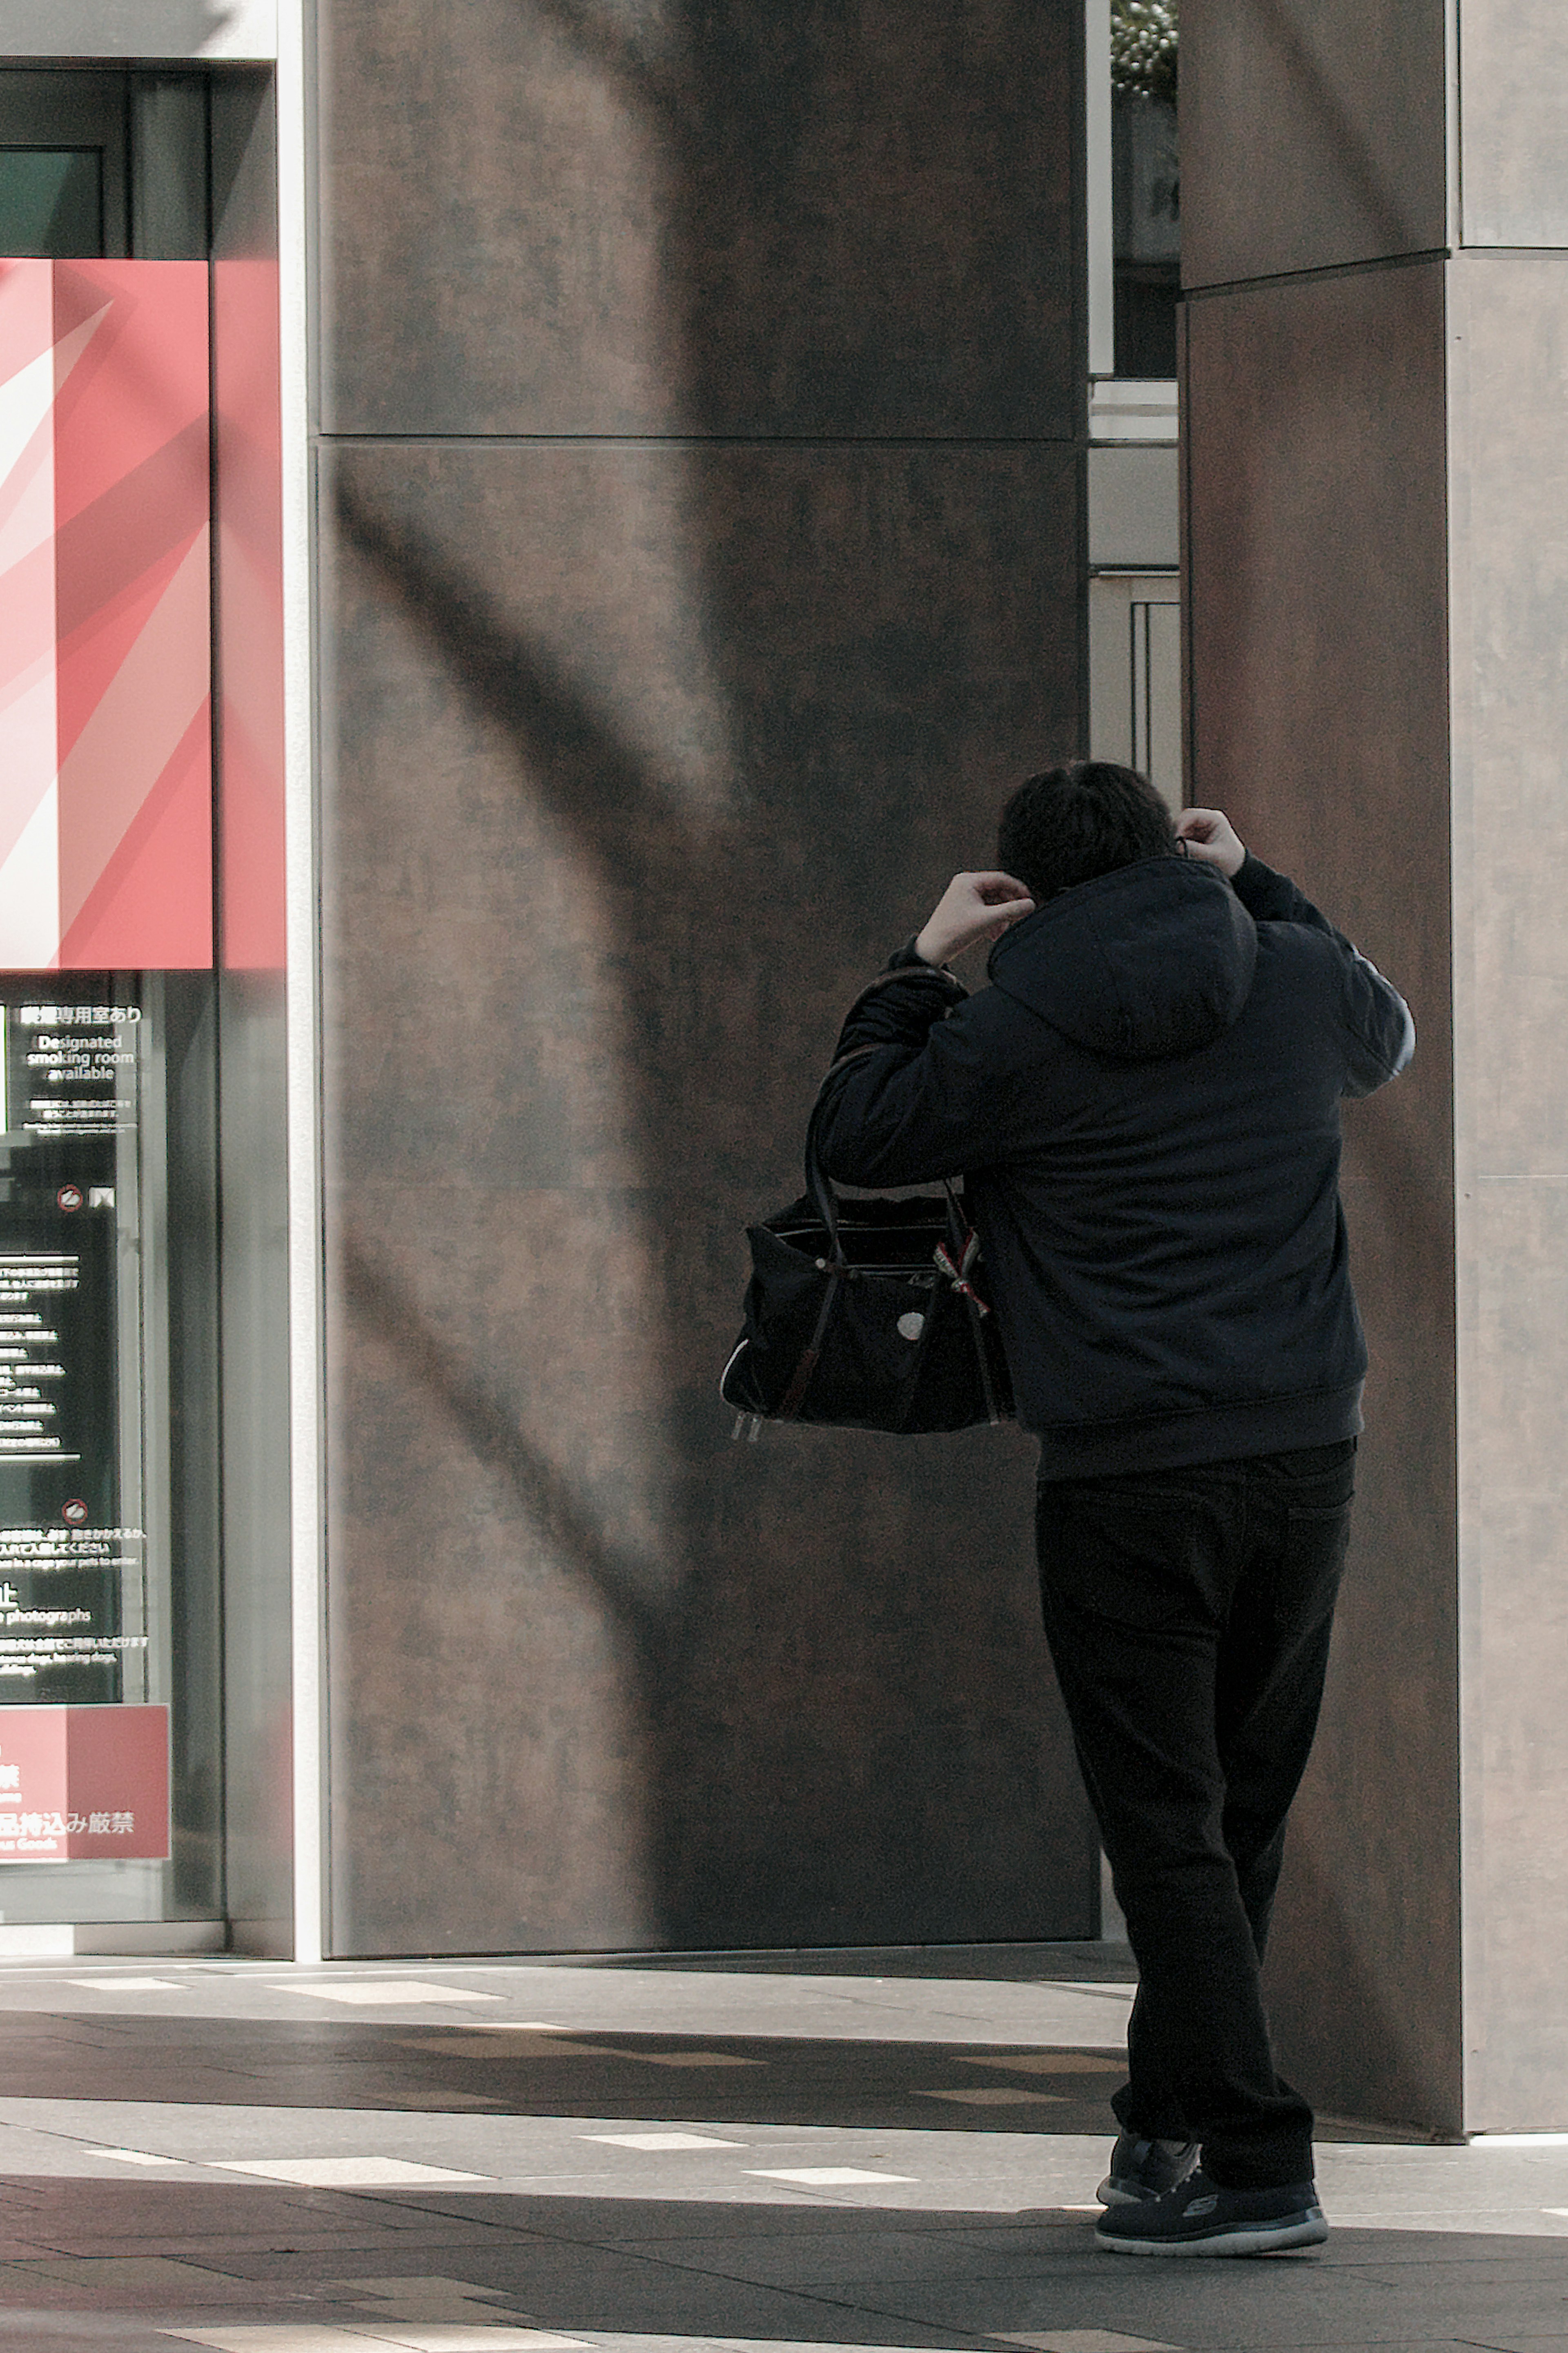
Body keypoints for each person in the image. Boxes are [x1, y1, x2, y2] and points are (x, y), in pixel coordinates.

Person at [811, 761, 1413, 2257]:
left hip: (1127, 1474)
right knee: (1237, 1811)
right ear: (1169, 854)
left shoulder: (1007, 1027)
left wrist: (916, 958)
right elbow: (1387, 1033)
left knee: (1167, 1823)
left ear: (1030, 888)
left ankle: (1260, 2161)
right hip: (1304, 1458)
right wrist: (1257, 878)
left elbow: (854, 1133)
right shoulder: (1284, 972)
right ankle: (1168, 2124)